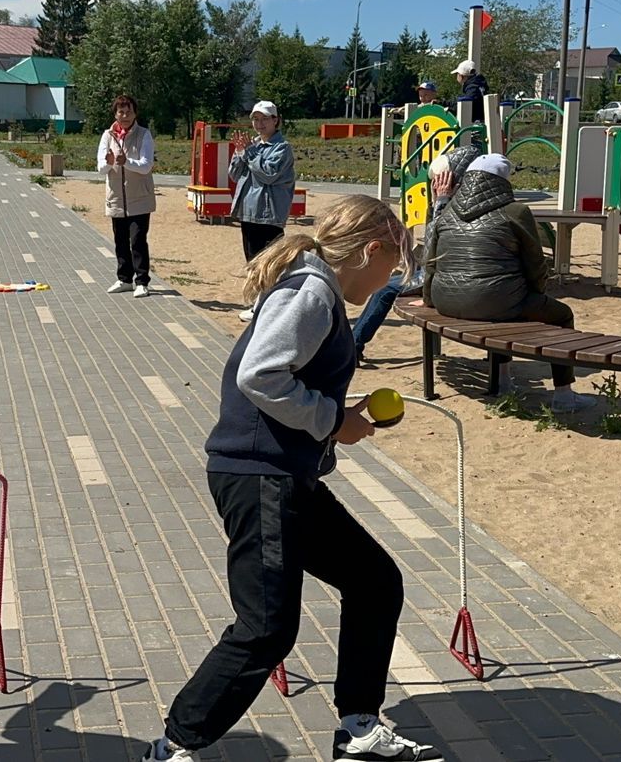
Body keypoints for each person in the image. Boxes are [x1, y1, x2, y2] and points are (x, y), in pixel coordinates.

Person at [142, 195, 441, 762]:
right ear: (370, 249)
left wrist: (334, 417)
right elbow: (261, 375)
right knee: (267, 628)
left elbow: (291, 380)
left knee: (375, 581)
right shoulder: (312, 293)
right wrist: (333, 420)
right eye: (390, 268)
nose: (388, 281)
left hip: (285, 476)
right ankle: (174, 745)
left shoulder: (318, 288)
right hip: (259, 477)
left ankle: (357, 728)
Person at [421, 153, 595, 411]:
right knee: (560, 314)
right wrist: (535, 292)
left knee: (504, 303)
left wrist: (428, 298)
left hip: (445, 301)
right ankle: (564, 394)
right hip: (496, 302)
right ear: (502, 182)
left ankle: (503, 381)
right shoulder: (515, 212)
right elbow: (535, 263)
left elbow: (432, 262)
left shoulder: (446, 213)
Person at [350, 145, 483, 366]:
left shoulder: (463, 205)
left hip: (451, 275)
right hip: (445, 269)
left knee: (386, 288)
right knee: (391, 280)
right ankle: (354, 344)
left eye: (440, 181)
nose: (437, 186)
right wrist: (436, 204)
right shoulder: (468, 198)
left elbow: (434, 246)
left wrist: (440, 203)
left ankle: (354, 345)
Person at [229, 100, 297, 322]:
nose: (259, 124)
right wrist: (240, 153)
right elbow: (234, 174)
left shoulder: (282, 148)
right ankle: (261, 303)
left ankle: (266, 306)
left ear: (276, 120)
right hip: (248, 211)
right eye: (255, 119)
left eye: (265, 119)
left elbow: (269, 174)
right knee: (253, 261)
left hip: (269, 214)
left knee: (270, 262)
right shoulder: (254, 144)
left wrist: (249, 152)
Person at [99, 94, 156, 298]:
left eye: (128, 111)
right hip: (116, 197)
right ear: (115, 113)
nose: (124, 115)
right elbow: (101, 168)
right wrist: (109, 162)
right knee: (120, 240)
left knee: (138, 239)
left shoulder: (143, 134)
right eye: (120, 111)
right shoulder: (108, 135)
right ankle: (124, 279)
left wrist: (126, 162)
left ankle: (142, 282)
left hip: (139, 197)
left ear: (135, 113)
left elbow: (146, 165)